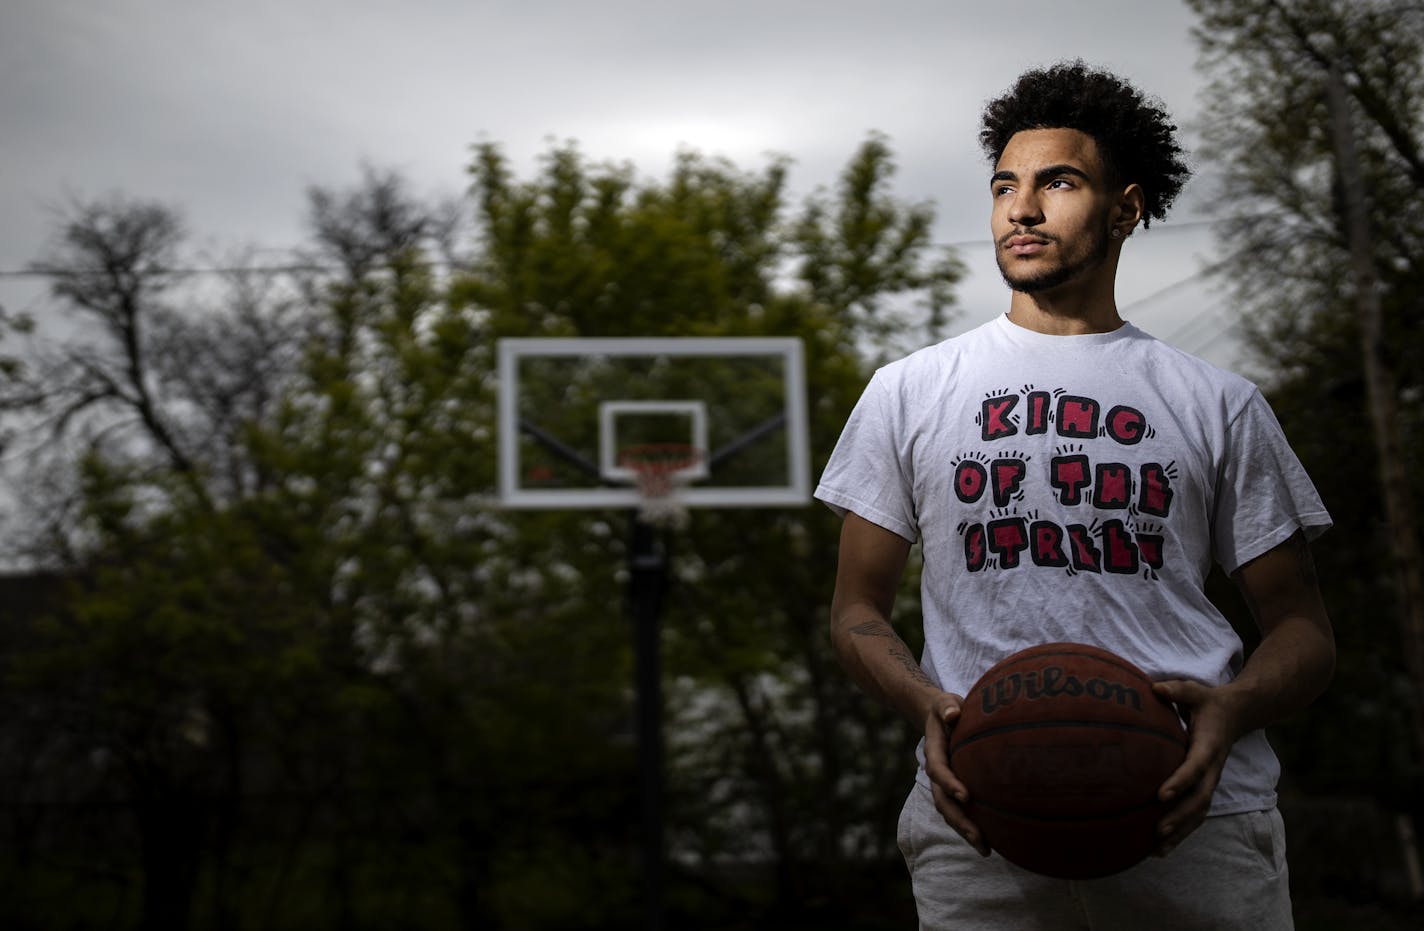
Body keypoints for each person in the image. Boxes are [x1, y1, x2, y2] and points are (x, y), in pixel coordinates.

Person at [816, 61, 1335, 930]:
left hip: (1197, 813)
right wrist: (926, 704)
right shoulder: (909, 391)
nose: (1021, 208)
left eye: (1058, 182)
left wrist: (1233, 706)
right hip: (982, 815)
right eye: (1005, 186)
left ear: (1126, 208)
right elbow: (856, 611)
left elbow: (1305, 632)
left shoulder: (1215, 401)